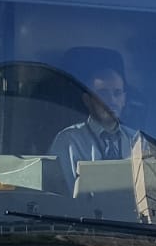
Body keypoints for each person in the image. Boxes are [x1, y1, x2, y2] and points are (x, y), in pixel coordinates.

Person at [48, 51, 143, 185]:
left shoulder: (138, 142)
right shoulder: (68, 141)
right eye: (103, 93)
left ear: (124, 99)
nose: (112, 100)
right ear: (87, 100)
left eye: (117, 93)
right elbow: (63, 196)